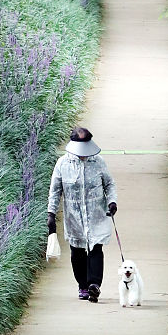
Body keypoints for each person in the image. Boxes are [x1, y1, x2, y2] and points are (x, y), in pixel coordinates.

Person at [47, 127, 117, 302]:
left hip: (96, 214)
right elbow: (55, 191)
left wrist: (112, 201)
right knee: (77, 251)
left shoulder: (98, 162)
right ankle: (83, 286)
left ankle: (94, 285)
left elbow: (109, 184)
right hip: (74, 216)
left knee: (96, 247)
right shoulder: (62, 164)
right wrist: (51, 214)